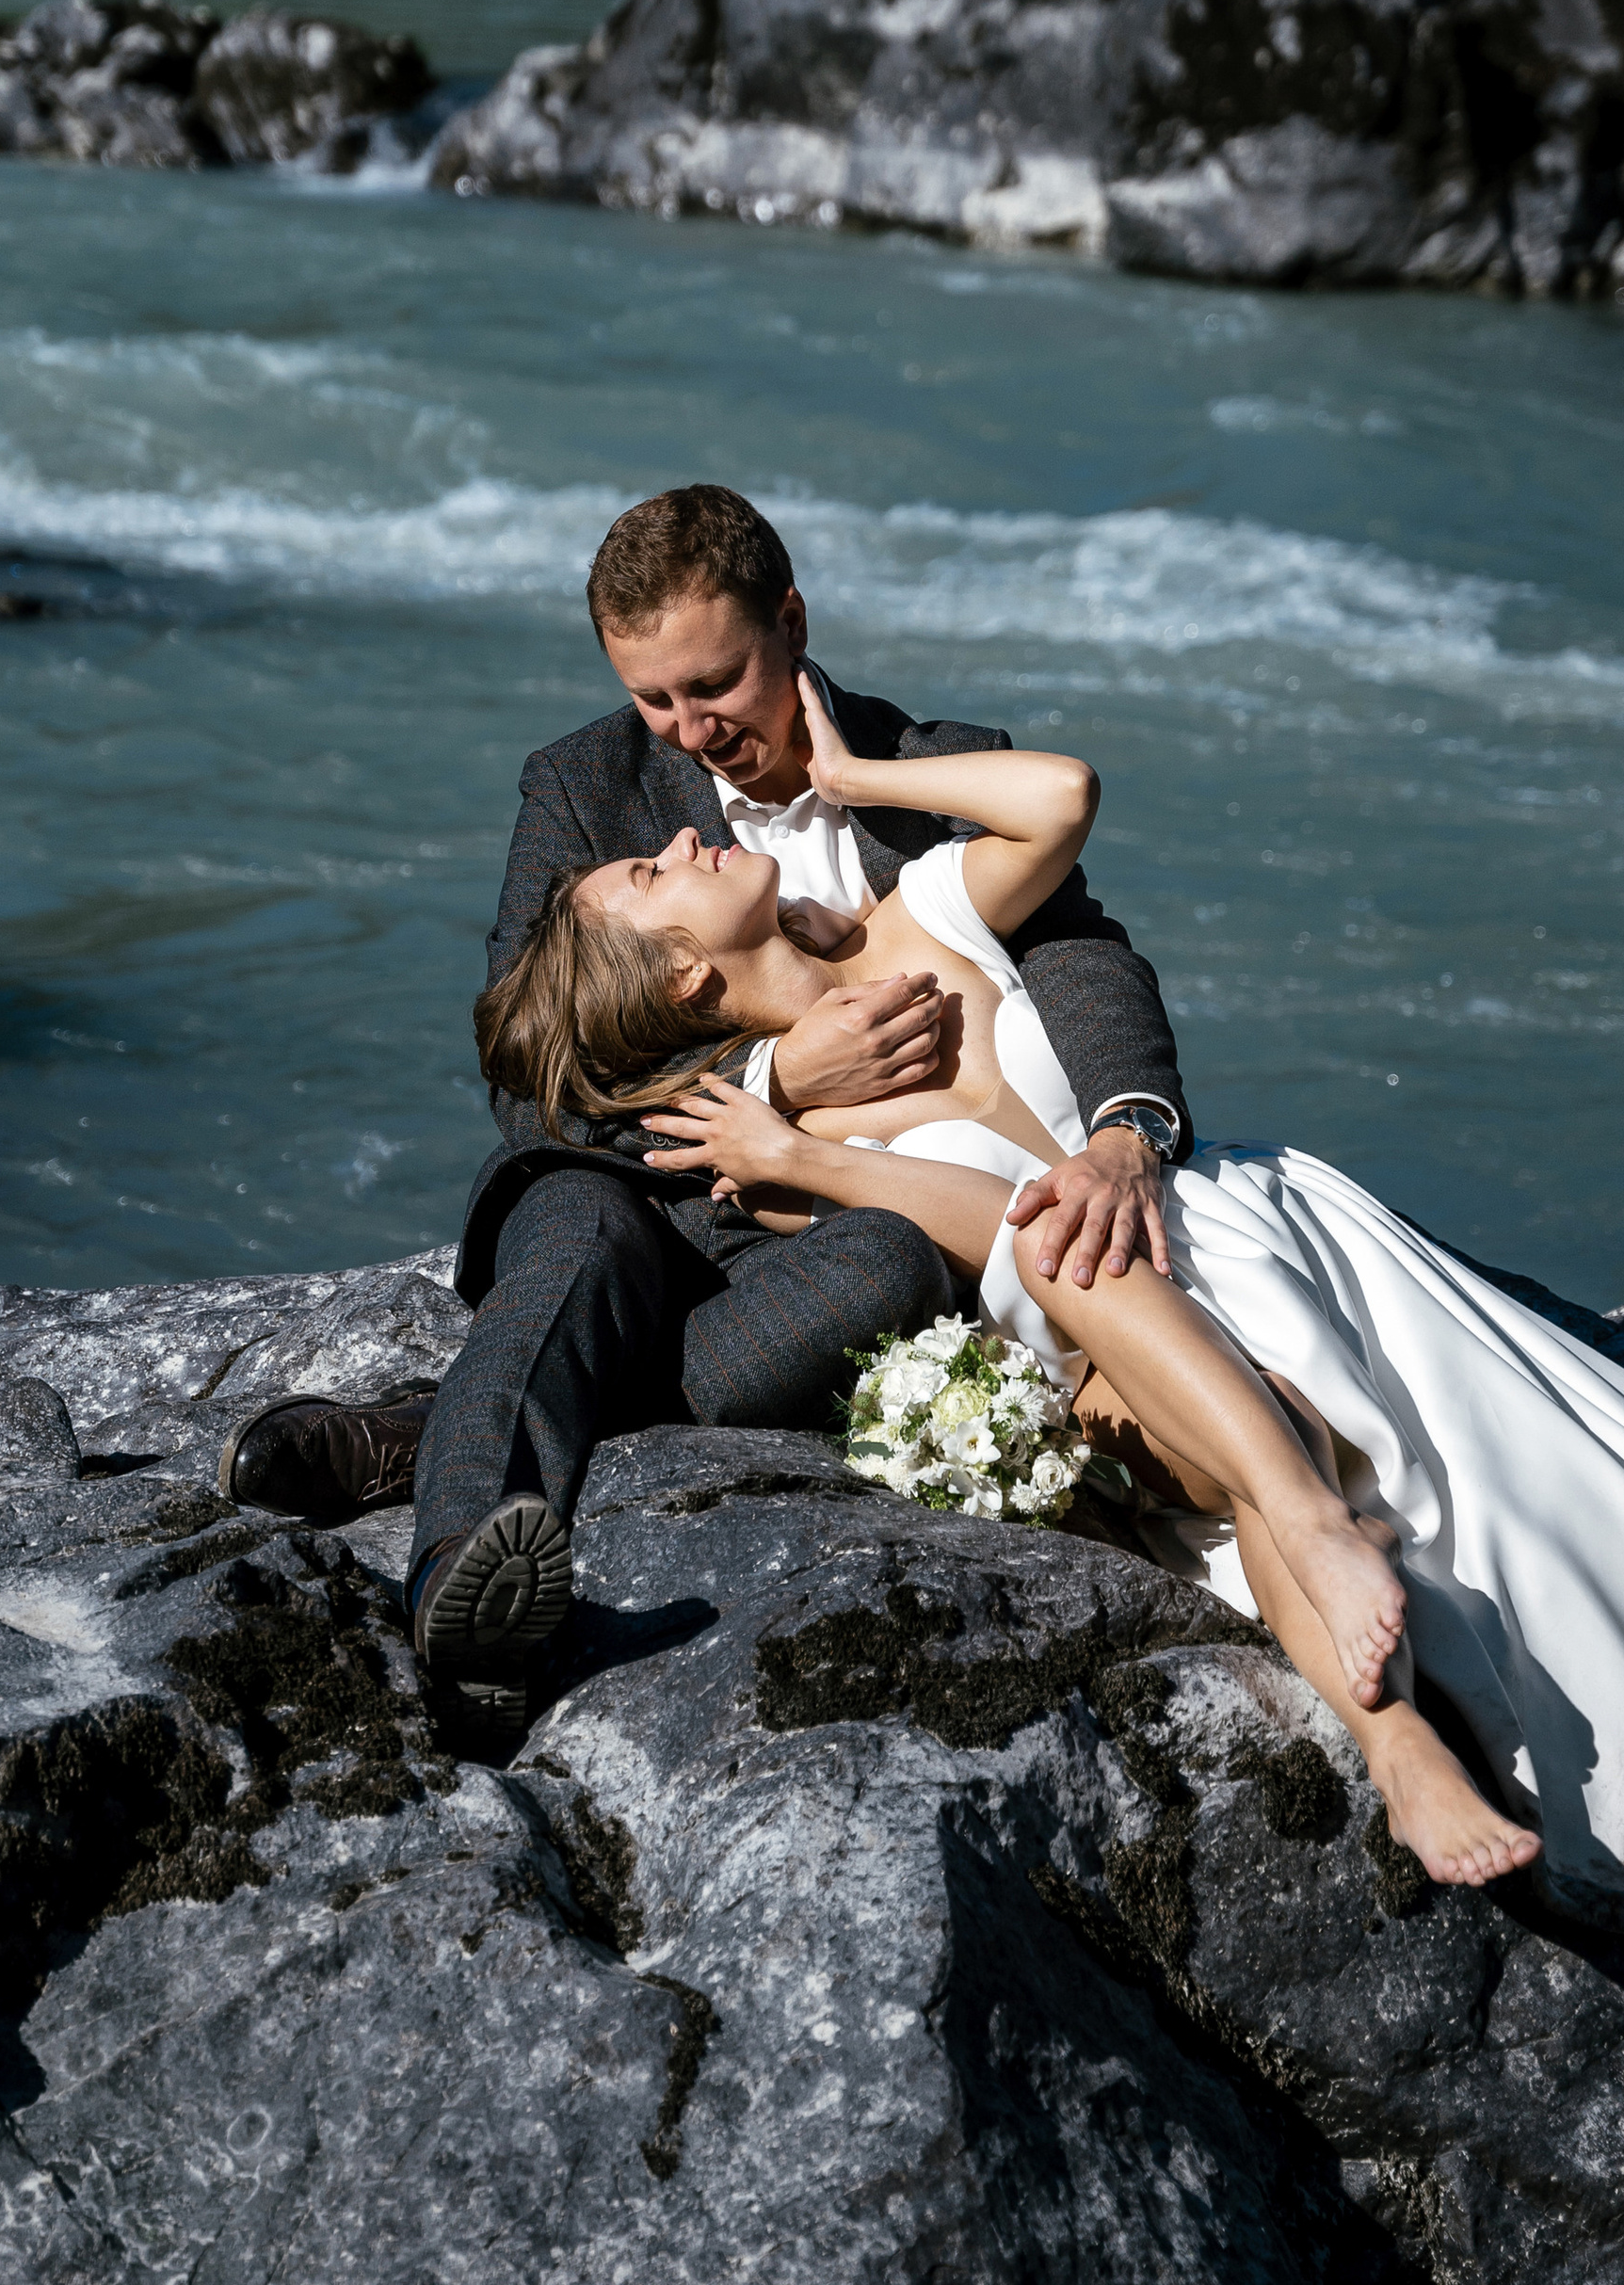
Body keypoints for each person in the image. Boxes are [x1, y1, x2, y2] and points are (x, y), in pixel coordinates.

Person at [480, 668, 1624, 2023]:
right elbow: (979, 1228)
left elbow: (1059, 795)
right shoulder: (765, 1148)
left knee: (1204, 1360)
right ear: (685, 981)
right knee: (1099, 1292)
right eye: (652, 874)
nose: (681, 837)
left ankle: (1351, 1627)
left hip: (1220, 1226)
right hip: (1091, 1313)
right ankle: (1397, 1739)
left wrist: (855, 776)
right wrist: (804, 1150)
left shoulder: (918, 909)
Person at [220, 485, 1195, 1707]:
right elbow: (530, 1073)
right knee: (574, 1246)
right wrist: (773, 1081)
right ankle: (459, 1570)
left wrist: (1130, 1128)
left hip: (841, 1214)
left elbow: (1079, 955)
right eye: (653, 698)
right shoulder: (582, 787)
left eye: (715, 684)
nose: (687, 731)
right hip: (635, 1188)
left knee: (895, 1265)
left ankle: (435, 1428)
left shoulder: (931, 764)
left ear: (790, 621)